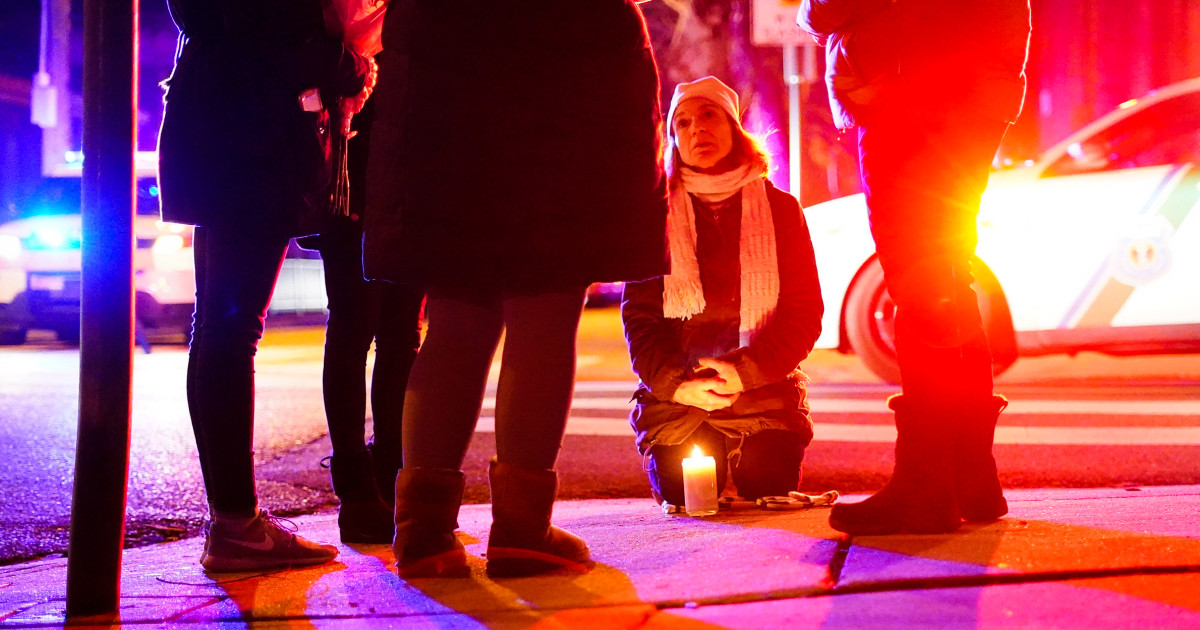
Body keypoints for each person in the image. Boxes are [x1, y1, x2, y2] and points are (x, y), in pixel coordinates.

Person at [363, 0, 668, 578]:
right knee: (544, 315)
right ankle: (522, 529)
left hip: (447, 104)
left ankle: (423, 532)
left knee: (455, 321)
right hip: (559, 95)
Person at [157, 1, 376, 571]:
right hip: (255, 138)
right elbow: (272, 23)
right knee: (231, 328)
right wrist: (340, 57)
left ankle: (232, 519)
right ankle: (236, 524)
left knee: (219, 328)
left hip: (223, 127)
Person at [798, 0, 1031, 535]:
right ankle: (970, 474)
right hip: (974, 89)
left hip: (907, 89)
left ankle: (926, 482)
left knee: (919, 274)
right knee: (945, 267)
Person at [622, 77, 824, 510]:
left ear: (734, 126)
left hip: (762, 391)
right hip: (682, 398)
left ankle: (762, 446)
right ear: (673, 140)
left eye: (709, 115)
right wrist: (677, 386)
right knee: (688, 493)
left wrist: (747, 372)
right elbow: (639, 323)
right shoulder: (653, 215)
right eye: (682, 123)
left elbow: (804, 314)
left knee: (766, 481)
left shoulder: (780, 209)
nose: (697, 130)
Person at [300, 98, 426, 545]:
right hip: (369, 172)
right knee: (380, 332)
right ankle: (368, 483)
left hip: (382, 169)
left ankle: (371, 484)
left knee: (377, 332)